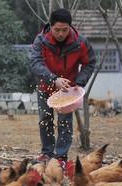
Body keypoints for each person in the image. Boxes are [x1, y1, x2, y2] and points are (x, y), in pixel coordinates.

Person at [30, 8, 96, 162]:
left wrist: (79, 83)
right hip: (45, 86)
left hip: (68, 91)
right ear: (50, 26)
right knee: (45, 119)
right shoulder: (41, 41)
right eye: (57, 30)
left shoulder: (80, 43)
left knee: (65, 122)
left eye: (64, 30)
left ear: (70, 27)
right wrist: (53, 79)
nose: (60, 34)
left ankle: (61, 156)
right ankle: (46, 153)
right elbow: (35, 62)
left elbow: (90, 63)